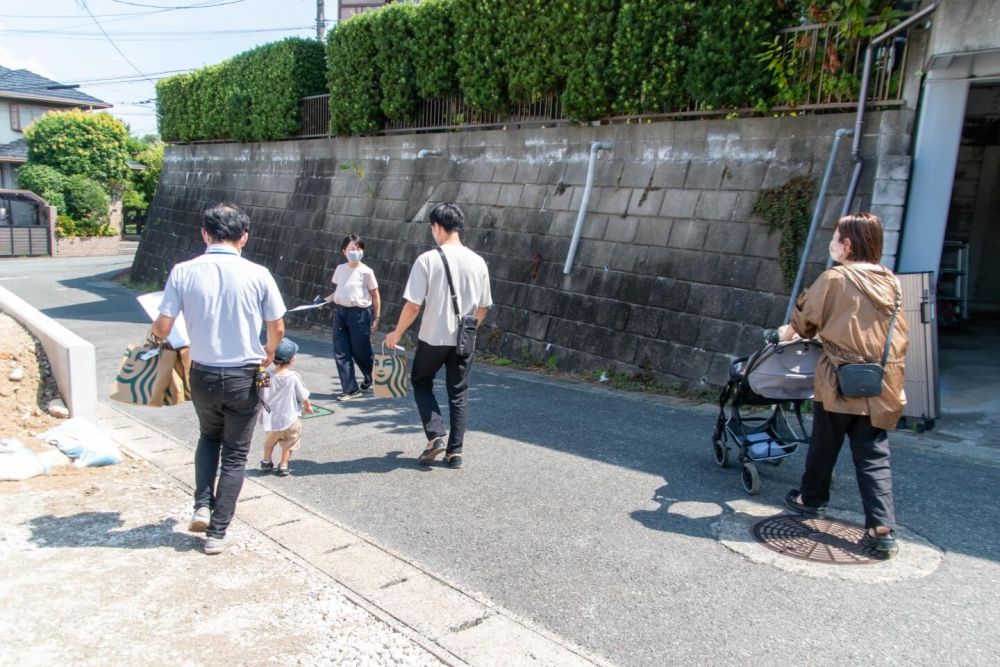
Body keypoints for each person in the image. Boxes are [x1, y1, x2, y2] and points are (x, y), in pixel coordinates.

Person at [152, 203, 286, 555]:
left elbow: (162, 326)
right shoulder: (259, 273)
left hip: (203, 373)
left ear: (204, 234)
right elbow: (278, 326)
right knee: (236, 454)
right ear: (244, 237)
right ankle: (217, 532)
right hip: (245, 374)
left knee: (208, 437)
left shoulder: (182, 271)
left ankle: (201, 505)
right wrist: (269, 351)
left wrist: (154, 344)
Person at [778, 212, 908, 558]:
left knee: (825, 443)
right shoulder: (891, 281)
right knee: (873, 454)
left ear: (847, 244)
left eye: (835, 237)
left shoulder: (835, 278)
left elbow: (804, 323)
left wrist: (787, 334)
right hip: (880, 381)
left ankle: (811, 500)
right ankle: (881, 528)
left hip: (838, 377)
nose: (832, 243)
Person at [385, 203, 492, 469]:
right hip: (464, 341)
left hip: (433, 337)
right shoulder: (478, 262)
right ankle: (455, 453)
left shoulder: (428, 260)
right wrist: (470, 329)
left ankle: (435, 436)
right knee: (459, 394)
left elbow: (413, 305)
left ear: (436, 227)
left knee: (421, 382)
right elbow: (484, 306)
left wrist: (396, 334)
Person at [316, 234, 381, 400]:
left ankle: (371, 377)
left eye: (359, 248)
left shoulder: (366, 272)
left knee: (361, 351)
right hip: (341, 313)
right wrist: (324, 301)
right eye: (352, 249)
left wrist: (376, 317)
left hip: (360, 314)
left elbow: (375, 295)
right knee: (341, 351)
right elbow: (338, 291)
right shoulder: (340, 269)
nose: (355, 252)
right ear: (344, 251)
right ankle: (351, 389)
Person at [259, 338, 313, 477]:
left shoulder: (265, 376)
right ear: (291, 360)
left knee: (269, 443)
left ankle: (266, 461)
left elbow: (259, 393)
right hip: (291, 419)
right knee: (289, 444)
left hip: (271, 420)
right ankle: (283, 465)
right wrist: (308, 406)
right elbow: (302, 395)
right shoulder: (293, 377)